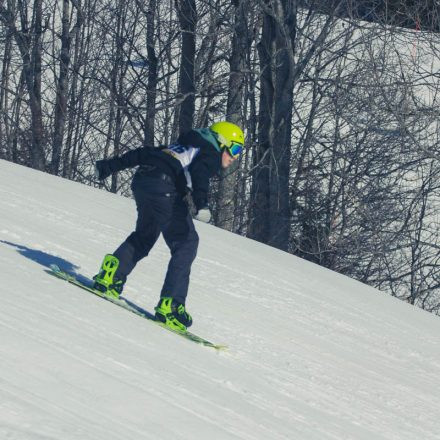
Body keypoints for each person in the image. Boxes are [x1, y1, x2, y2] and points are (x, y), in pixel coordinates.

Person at [93, 121, 245, 331]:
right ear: (223, 142)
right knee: (186, 243)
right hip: (165, 188)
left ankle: (110, 274)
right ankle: (171, 305)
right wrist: (202, 204)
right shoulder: (210, 151)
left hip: (143, 182)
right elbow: (200, 173)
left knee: (145, 235)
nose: (235, 156)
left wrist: (109, 166)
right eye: (235, 149)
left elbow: (145, 153)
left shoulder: (185, 145)